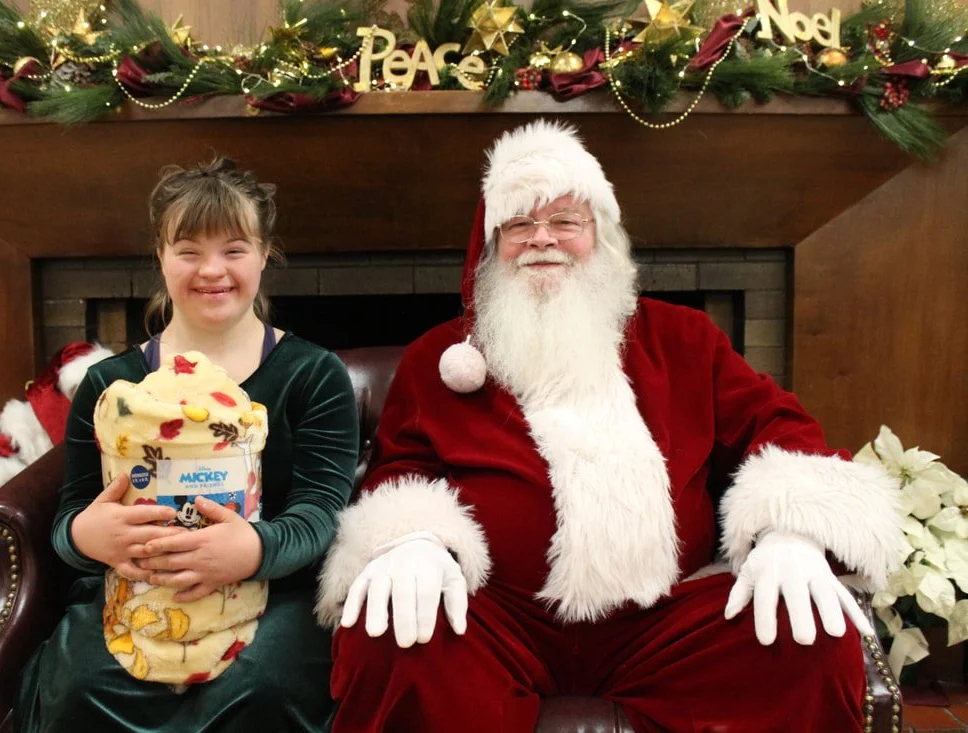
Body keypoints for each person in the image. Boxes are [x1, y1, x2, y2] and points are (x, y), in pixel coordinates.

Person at [318, 121, 901, 733]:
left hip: (663, 623)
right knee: (387, 633)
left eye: (566, 221)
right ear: (491, 247)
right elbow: (400, 467)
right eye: (519, 225)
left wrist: (791, 534)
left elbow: (777, 424)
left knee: (806, 638)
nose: (543, 240)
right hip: (496, 620)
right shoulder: (439, 358)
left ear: (601, 235)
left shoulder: (685, 339)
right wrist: (413, 539)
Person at [15, 157, 360, 732]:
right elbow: (70, 516)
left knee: (260, 687)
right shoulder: (111, 387)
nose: (212, 270)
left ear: (264, 254)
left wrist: (252, 551)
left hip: (275, 594)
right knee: (81, 686)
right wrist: (84, 534)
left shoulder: (313, 374)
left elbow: (323, 511)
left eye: (234, 249)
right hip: (136, 598)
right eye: (189, 250)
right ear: (160, 257)